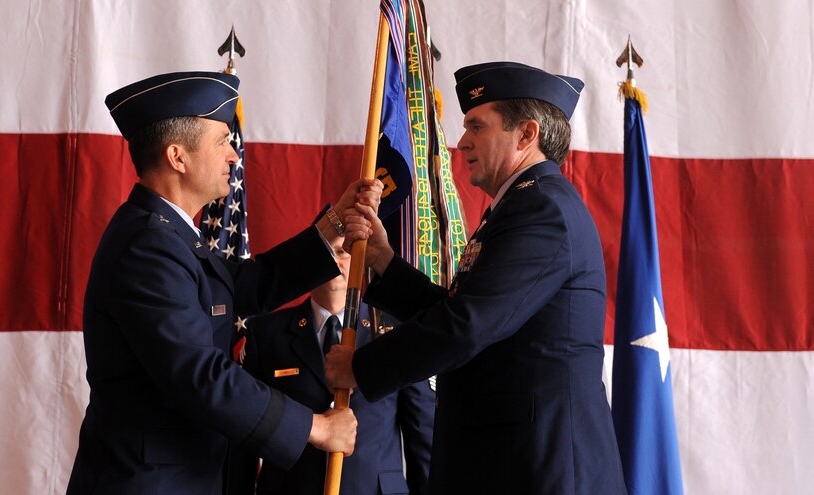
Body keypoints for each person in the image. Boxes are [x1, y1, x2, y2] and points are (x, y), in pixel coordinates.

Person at [67, 71, 378, 494]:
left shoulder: (168, 235)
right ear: (178, 157)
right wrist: (314, 426)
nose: (233, 156)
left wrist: (334, 225)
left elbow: (243, 285)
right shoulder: (147, 246)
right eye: (221, 142)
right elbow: (200, 374)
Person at [326, 62, 627, 494]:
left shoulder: (541, 211)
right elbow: (464, 314)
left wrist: (360, 367)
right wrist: (383, 259)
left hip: (539, 469)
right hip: (511, 462)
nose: (462, 141)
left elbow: (466, 326)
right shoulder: (522, 206)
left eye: (476, 127)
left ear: (526, 135)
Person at [228, 209, 435, 495]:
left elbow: (422, 431)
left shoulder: (394, 330)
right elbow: (246, 430)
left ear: (361, 260)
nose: (337, 259)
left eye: (347, 250)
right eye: (329, 250)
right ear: (311, 259)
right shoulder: (267, 333)